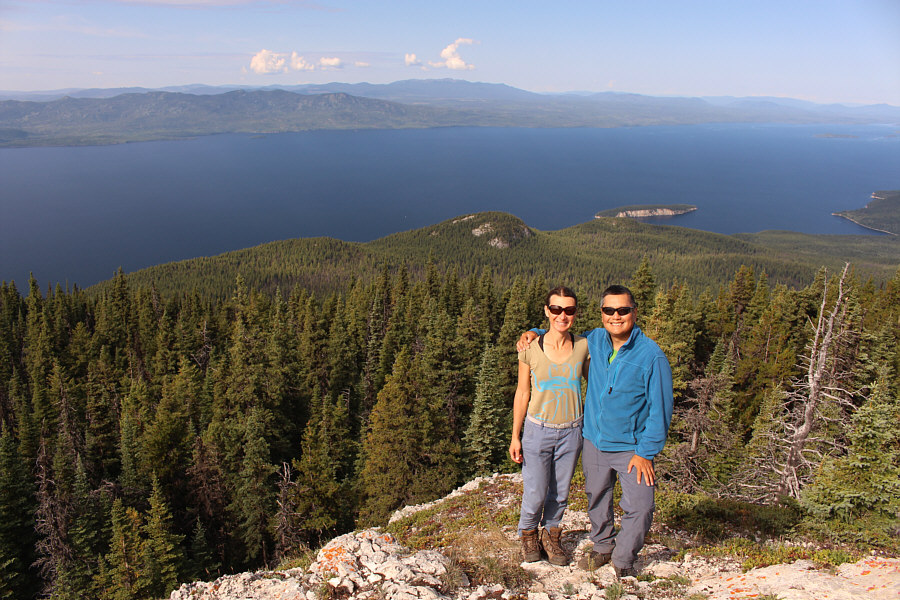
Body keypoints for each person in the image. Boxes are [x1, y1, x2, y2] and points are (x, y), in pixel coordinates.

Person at [517, 284, 673, 578]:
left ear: (634, 313)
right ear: (601, 314)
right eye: (609, 310)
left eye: (623, 310)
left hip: (631, 448)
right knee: (597, 498)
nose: (616, 316)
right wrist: (533, 331)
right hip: (593, 442)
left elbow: (660, 410)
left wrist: (646, 452)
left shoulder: (652, 357)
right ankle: (602, 547)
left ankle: (623, 560)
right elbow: (559, 330)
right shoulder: (595, 340)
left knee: (640, 506)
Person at [510, 286, 590, 566]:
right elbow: (522, 392)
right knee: (535, 489)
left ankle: (551, 534)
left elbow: (593, 385)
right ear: (547, 311)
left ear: (575, 313)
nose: (562, 315)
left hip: (571, 430)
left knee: (561, 491)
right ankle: (528, 534)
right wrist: (515, 436)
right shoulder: (529, 348)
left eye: (568, 310)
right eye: (556, 309)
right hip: (537, 429)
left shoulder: (583, 346)